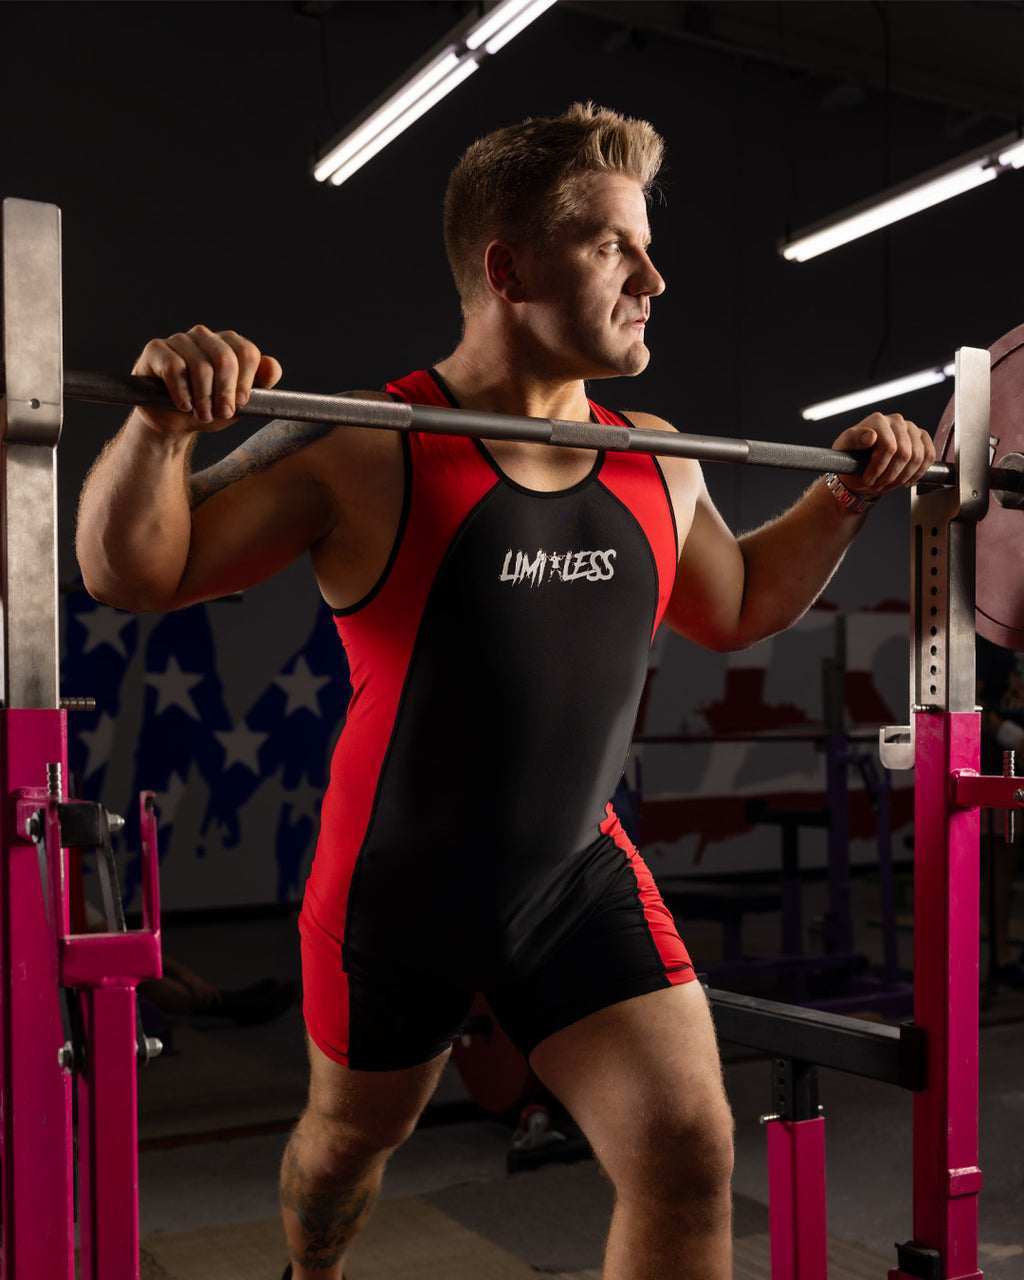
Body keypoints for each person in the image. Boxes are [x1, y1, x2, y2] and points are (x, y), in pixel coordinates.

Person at [75, 104, 935, 1280]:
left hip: (575, 875)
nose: (654, 277)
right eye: (611, 248)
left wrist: (846, 496)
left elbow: (735, 606)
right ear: (506, 266)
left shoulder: (657, 453)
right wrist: (159, 427)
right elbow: (135, 570)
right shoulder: (368, 445)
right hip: (394, 889)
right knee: (341, 1151)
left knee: (686, 1148)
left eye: (645, 245)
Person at [977, 634, 1024, 988]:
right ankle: (1000, 955)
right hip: (1000, 764)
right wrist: (1012, 737)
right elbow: (970, 704)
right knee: (1000, 864)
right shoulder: (991, 641)